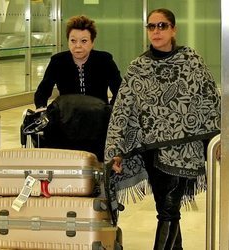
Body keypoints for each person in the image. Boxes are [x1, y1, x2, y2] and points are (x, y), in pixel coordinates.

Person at [104, 8, 221, 250]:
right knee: (166, 209)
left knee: (168, 211)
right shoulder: (139, 67)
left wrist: (220, 139)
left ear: (173, 29)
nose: (156, 31)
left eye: (162, 26)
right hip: (152, 151)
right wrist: (115, 149)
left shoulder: (191, 60)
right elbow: (122, 108)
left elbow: (211, 99)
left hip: (185, 150)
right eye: (151, 26)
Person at [34, 15, 122, 109]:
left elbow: (120, 91)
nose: (78, 46)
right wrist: (42, 109)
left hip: (98, 117)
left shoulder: (105, 60)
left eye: (84, 41)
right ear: (68, 41)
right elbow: (42, 92)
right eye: (73, 41)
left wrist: (111, 111)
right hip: (67, 117)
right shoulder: (58, 61)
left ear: (92, 43)